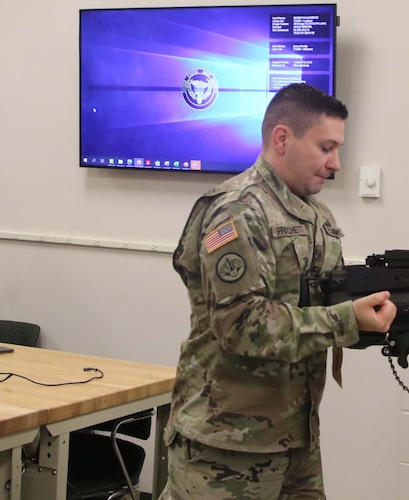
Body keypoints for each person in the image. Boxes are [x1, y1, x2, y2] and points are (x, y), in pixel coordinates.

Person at [160, 83, 397, 500]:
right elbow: (240, 323)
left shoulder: (315, 214)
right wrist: (346, 320)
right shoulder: (236, 210)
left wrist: (387, 317)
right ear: (283, 138)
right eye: (326, 147)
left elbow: (323, 304)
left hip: (295, 438)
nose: (336, 163)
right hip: (226, 446)